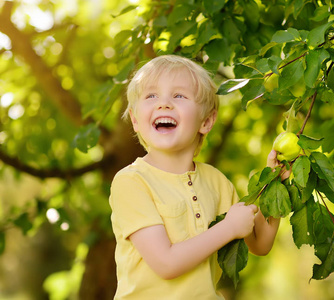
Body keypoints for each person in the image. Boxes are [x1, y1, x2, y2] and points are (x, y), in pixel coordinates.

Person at [109, 55, 282, 299]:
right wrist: (229, 227)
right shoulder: (131, 182)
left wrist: (277, 182)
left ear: (207, 121)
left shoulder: (216, 181)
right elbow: (166, 263)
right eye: (151, 96)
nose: (164, 104)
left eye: (178, 96)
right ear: (135, 120)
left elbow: (260, 243)